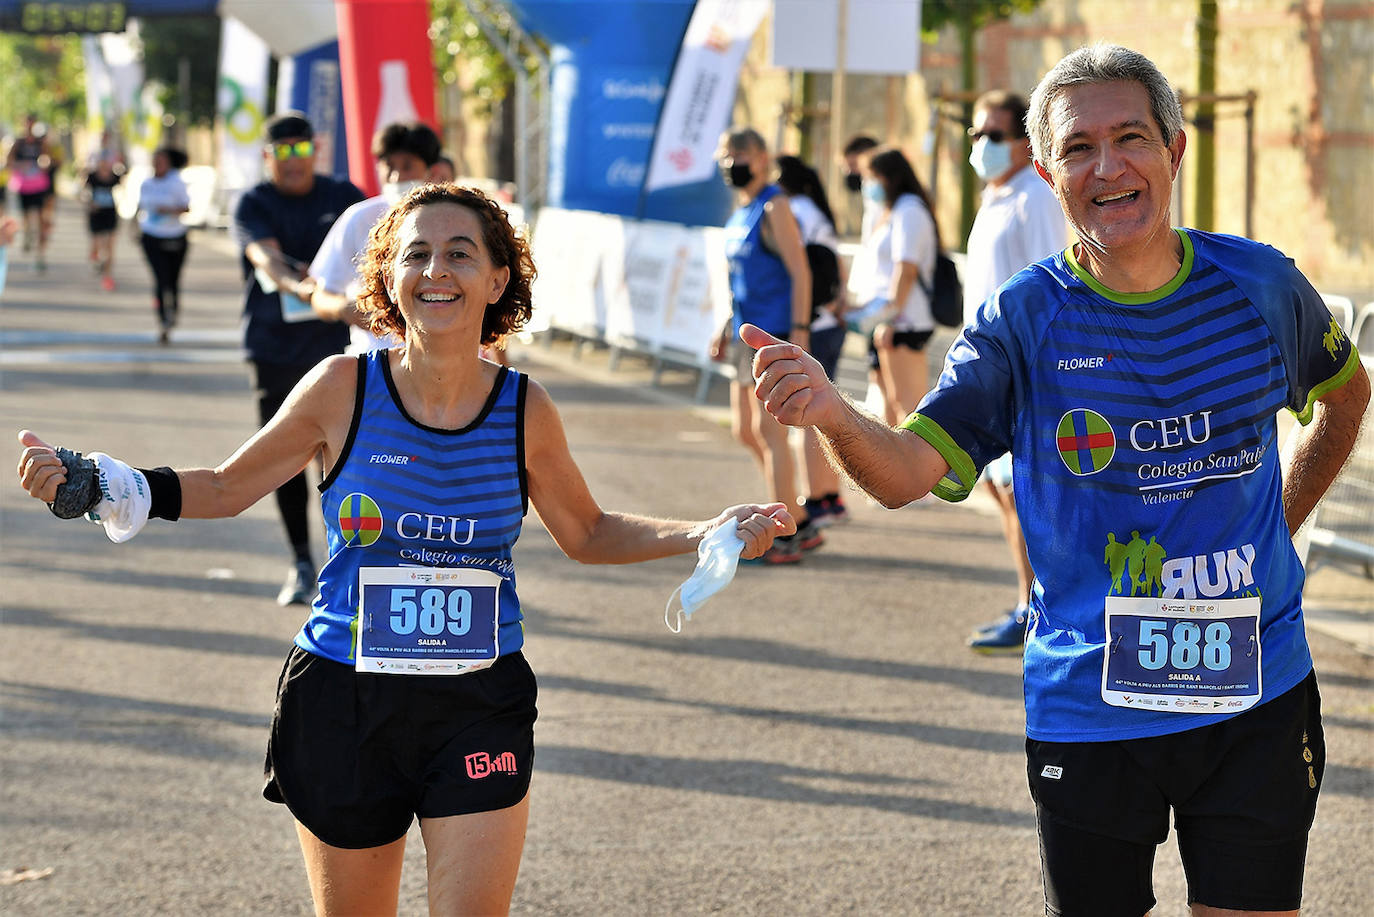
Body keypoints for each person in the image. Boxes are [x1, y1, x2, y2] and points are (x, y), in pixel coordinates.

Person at [16, 182, 794, 915]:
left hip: (476, 703)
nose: (436, 269)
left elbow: (585, 532)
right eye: (416, 253)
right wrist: (104, 484)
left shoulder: (525, 408)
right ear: (389, 280)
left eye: (460, 252)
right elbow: (225, 484)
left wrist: (703, 531)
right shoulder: (340, 389)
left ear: (497, 280)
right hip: (343, 698)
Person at [744, 43, 1368, 917]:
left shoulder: (1261, 287)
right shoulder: (1021, 320)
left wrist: (1284, 523)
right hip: (1092, 708)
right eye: (1079, 149)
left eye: (1132, 138)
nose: (1109, 167)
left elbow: (1346, 399)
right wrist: (836, 416)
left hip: (1256, 693)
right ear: (1047, 173)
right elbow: (906, 474)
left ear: (1175, 150)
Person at [234, 111, 366, 606]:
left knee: (344, 461)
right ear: (267, 156)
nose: (293, 160)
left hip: (338, 350)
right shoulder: (255, 201)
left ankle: (345, 564)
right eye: (282, 151)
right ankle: (300, 561)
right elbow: (263, 257)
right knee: (284, 461)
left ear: (316, 149)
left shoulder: (343, 197)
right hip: (275, 349)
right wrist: (300, 288)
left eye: (301, 148)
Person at [960, 90, 1068, 654]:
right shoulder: (996, 196)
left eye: (994, 136)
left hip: (1024, 374)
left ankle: (1043, 610)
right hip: (991, 370)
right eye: (976, 135)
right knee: (1005, 495)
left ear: (1026, 143)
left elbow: (1049, 287)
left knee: (1026, 495)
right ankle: (1028, 602)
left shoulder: (1036, 197)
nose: (982, 146)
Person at [710, 127, 822, 563]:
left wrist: (799, 333)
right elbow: (739, 281)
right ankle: (794, 513)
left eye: (739, 153)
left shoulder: (774, 205)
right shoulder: (741, 210)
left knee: (769, 433)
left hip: (773, 334)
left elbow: (801, 271)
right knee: (745, 430)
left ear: (762, 157)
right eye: (724, 155)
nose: (730, 162)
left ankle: (784, 532)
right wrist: (724, 326)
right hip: (743, 332)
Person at [309, 121, 448, 354]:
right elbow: (321, 294)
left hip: (443, 360)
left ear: (431, 172)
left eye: (407, 166)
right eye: (389, 165)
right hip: (374, 362)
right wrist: (345, 309)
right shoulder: (359, 219)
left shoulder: (457, 219)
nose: (396, 177)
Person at [776, 154, 849, 527]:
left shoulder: (790, 210)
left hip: (810, 324)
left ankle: (815, 497)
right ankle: (831, 496)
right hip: (828, 320)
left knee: (808, 415)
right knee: (824, 411)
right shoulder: (816, 210)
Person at [853, 147, 938, 426]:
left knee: (909, 410)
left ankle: (920, 471)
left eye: (872, 177)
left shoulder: (909, 210)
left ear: (889, 177)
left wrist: (890, 317)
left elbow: (907, 268)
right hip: (891, 320)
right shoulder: (892, 210)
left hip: (905, 321)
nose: (868, 185)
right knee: (889, 406)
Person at [134, 147, 191, 342]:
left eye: (161, 161)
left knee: (173, 280)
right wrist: (134, 227)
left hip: (175, 236)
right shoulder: (146, 183)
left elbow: (186, 207)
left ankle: (173, 309)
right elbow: (140, 207)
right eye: (155, 161)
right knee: (160, 278)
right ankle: (162, 320)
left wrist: (169, 210)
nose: (157, 164)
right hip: (152, 236)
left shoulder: (176, 182)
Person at [5, 115, 58, 271]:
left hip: (40, 185)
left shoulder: (41, 143)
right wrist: (20, 166)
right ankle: (28, 234)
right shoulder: (18, 142)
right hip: (24, 186)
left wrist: (45, 163)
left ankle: (40, 255)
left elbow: (50, 159)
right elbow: (9, 161)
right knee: (27, 215)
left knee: (43, 217)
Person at [82, 148, 123, 292]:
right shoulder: (91, 177)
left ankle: (108, 276)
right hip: (96, 214)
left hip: (110, 214)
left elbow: (122, 193)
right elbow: (82, 193)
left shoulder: (115, 177)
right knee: (97, 244)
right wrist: (90, 203)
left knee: (110, 248)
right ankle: (96, 259)